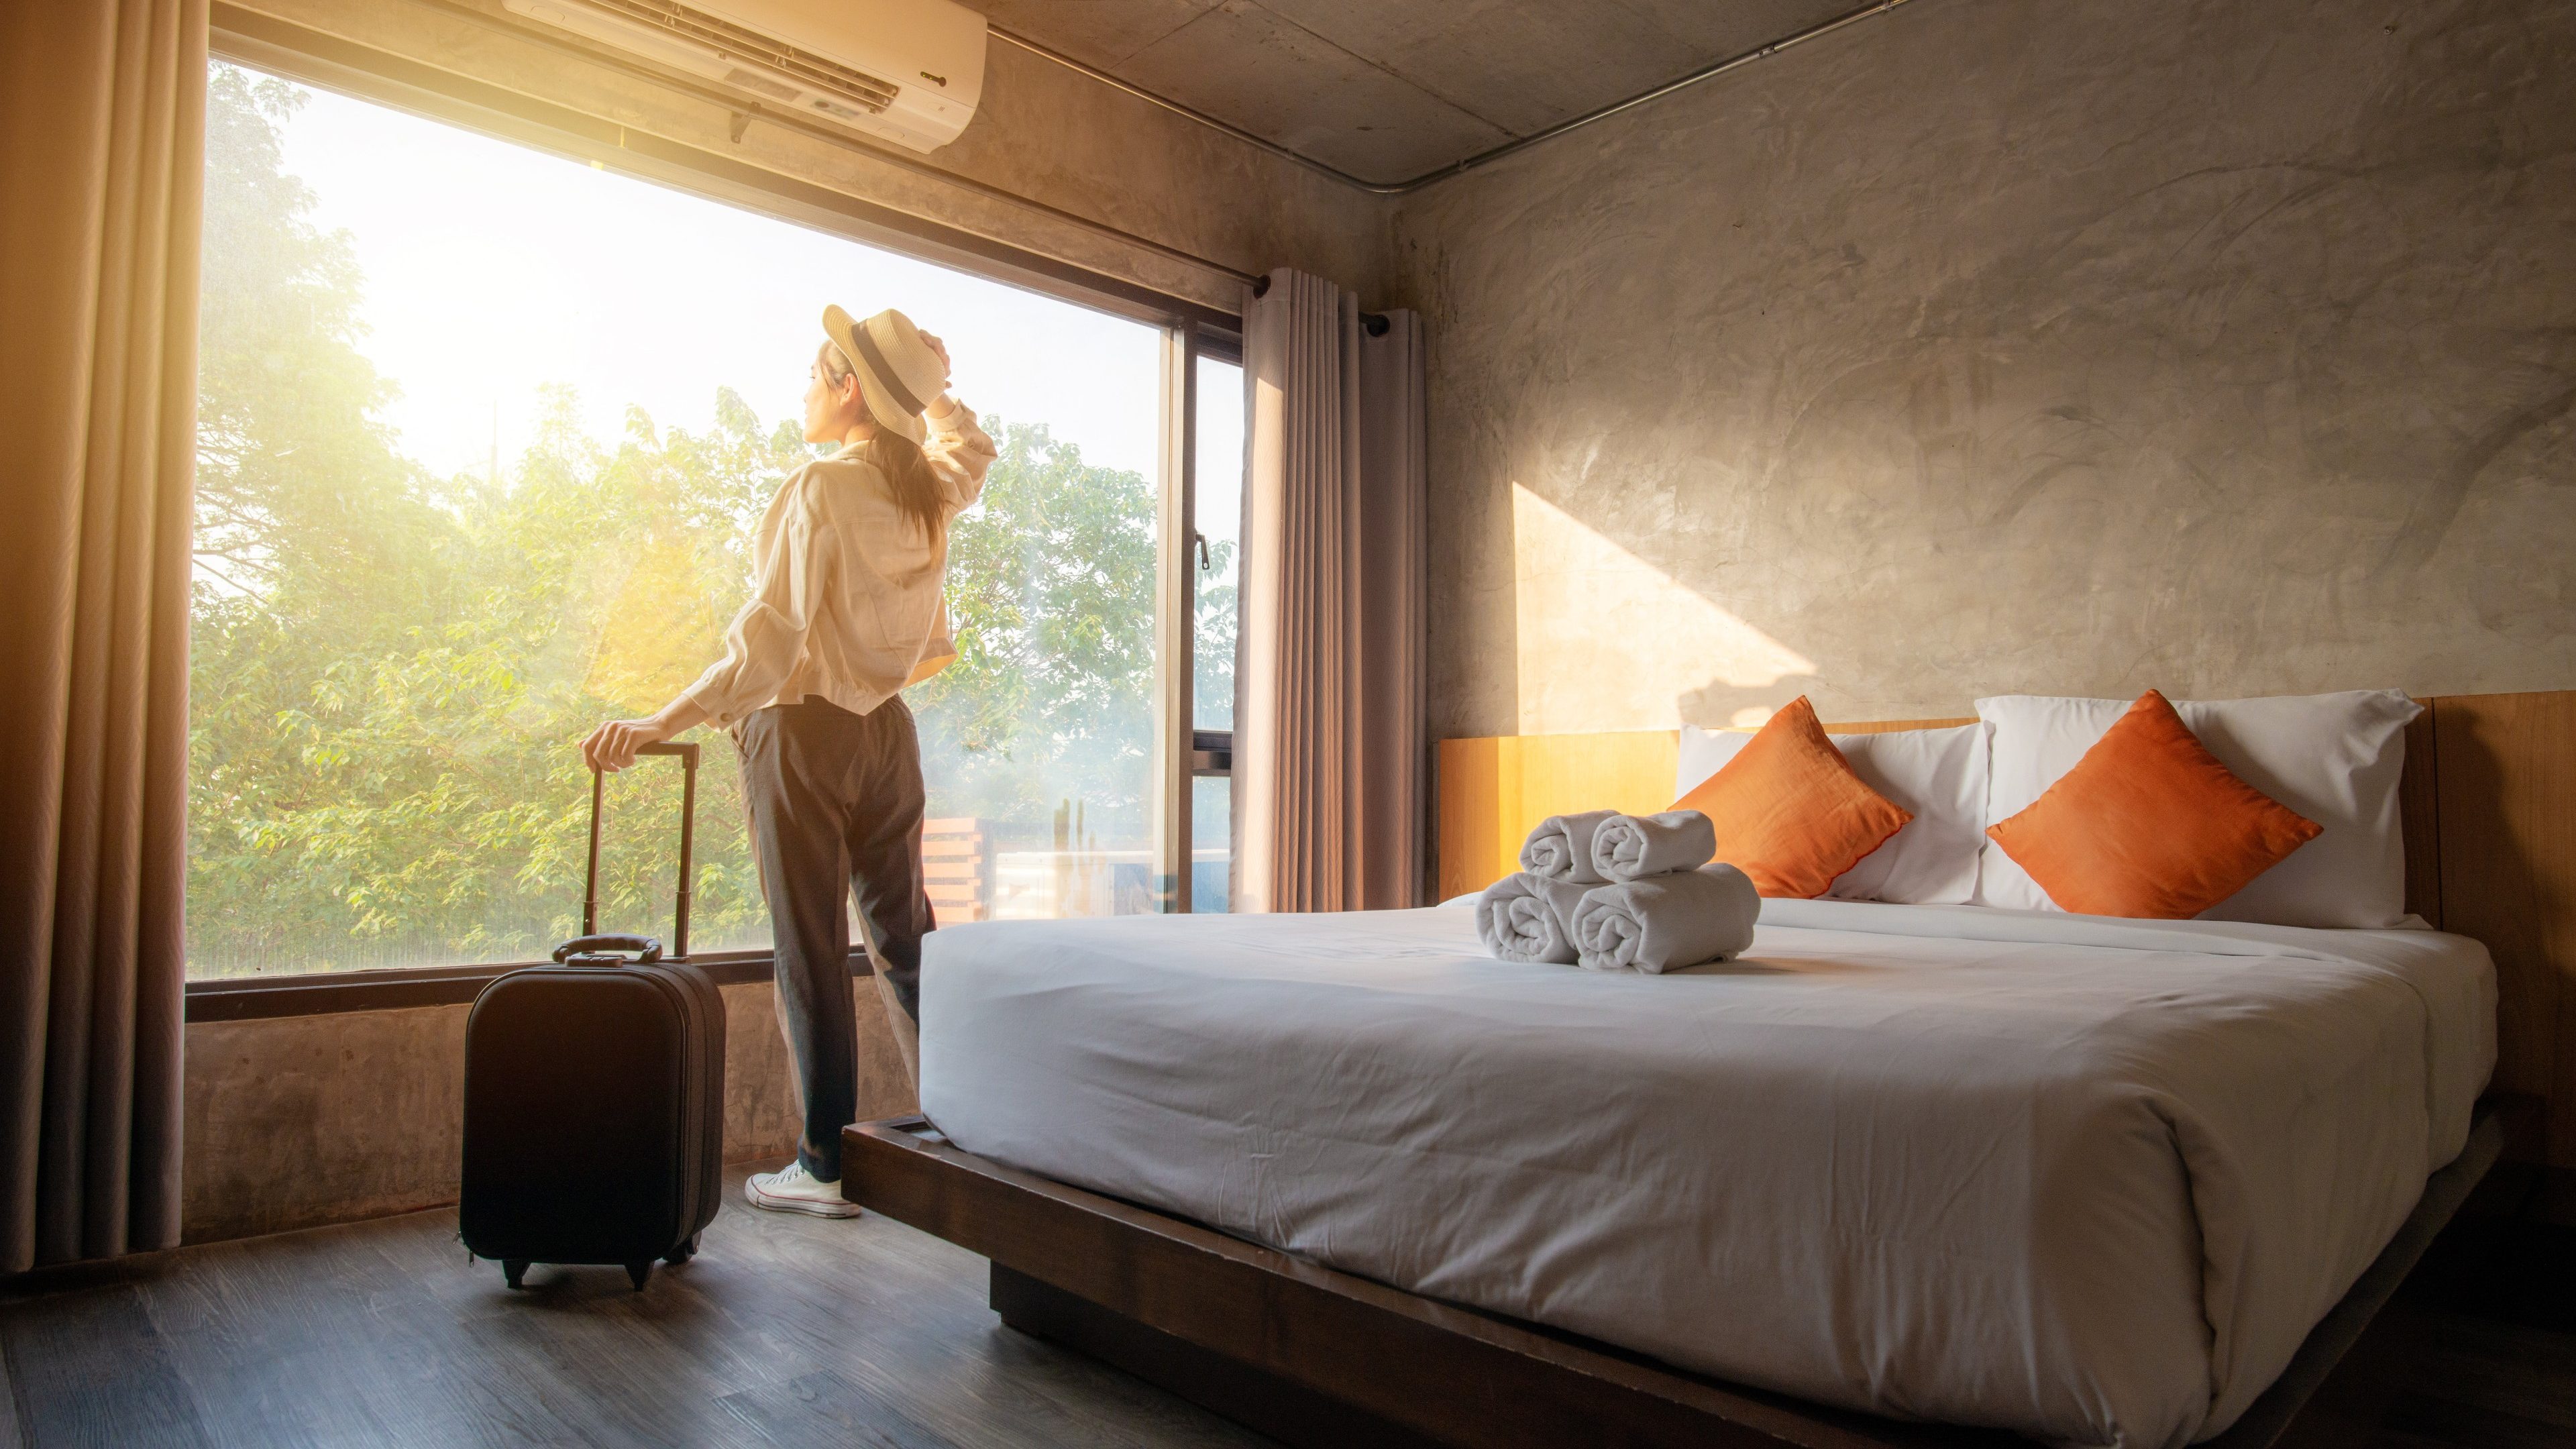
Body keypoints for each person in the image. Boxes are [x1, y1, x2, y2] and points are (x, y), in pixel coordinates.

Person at [582, 305, 995, 1218]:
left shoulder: (819, 490)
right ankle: (973, 1136)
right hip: (889, 738)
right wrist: (934, 389)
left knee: (810, 950)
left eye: (816, 378)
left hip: (802, 735)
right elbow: (971, 449)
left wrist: (657, 721)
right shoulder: (927, 490)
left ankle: (825, 1166)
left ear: (848, 391)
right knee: (907, 946)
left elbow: (765, 647)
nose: (803, 394)